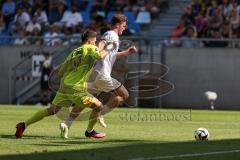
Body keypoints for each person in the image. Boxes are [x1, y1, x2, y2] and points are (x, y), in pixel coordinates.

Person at [15, 29, 109, 139]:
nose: (95, 43)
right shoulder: (90, 48)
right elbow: (101, 56)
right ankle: (89, 131)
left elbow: (60, 72)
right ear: (89, 40)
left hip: (65, 86)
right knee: (98, 106)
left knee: (51, 110)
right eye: (94, 40)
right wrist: (108, 47)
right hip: (75, 87)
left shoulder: (74, 52)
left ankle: (23, 125)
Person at [59, 14, 138, 138]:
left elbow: (112, 55)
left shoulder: (111, 35)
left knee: (84, 101)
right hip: (102, 74)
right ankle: (99, 115)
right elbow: (101, 46)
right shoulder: (112, 35)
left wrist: (126, 52)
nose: (125, 27)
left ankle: (66, 124)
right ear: (118, 25)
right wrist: (98, 52)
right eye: (124, 25)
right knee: (124, 94)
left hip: (95, 74)